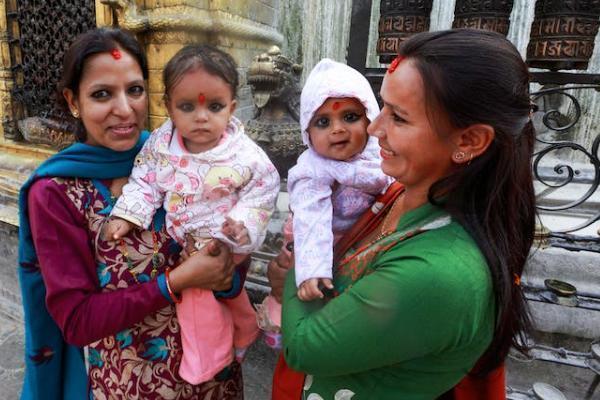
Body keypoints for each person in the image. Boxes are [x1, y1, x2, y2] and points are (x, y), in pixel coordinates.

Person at [268, 28, 535, 399]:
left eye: (399, 118)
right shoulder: (395, 195)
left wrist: (299, 261)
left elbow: (303, 347)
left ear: (469, 141)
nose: (374, 128)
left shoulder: (437, 273)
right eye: (381, 107)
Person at [18, 28, 245, 399]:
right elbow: (76, 321)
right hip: (131, 385)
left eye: (135, 90)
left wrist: (229, 278)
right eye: (102, 94)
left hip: (216, 379)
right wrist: (172, 284)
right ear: (73, 101)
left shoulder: (178, 157)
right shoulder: (56, 193)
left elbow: (227, 258)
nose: (125, 110)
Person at [103, 43, 280, 384]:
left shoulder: (244, 155)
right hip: (186, 235)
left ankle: (208, 361)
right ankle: (245, 325)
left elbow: (263, 191)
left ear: (231, 107)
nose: (201, 117)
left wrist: (241, 227)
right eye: (187, 106)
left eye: (214, 106)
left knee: (196, 296)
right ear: (168, 107)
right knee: (221, 291)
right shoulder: (160, 145)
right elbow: (145, 180)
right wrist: (128, 214)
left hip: (224, 237)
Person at [256, 59, 392, 348]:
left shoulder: (380, 157)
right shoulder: (313, 171)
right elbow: (312, 219)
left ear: (371, 116)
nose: (338, 129)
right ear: (307, 132)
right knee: (315, 309)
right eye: (323, 122)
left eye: (351, 117)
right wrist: (312, 270)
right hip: (320, 246)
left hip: (365, 245)